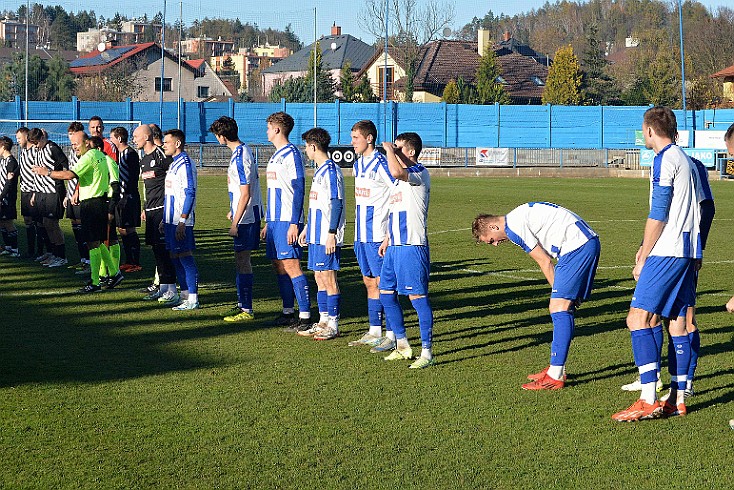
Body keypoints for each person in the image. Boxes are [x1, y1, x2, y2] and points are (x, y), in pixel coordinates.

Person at [611, 106, 701, 422]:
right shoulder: (687, 160)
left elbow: (659, 212)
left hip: (668, 251)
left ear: (649, 131)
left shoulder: (664, 160)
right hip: (688, 251)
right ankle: (677, 398)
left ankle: (648, 397)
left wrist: (644, 253)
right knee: (676, 321)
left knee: (637, 318)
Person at [472, 202, 601, 388]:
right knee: (561, 306)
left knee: (559, 307)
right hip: (581, 243)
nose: (496, 244)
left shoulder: (514, 228)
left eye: (491, 240)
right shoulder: (516, 216)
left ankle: (555, 375)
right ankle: (556, 369)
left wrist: (557, 291)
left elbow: (545, 261)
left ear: (493, 226)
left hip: (577, 247)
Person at [32, 131, 122, 293]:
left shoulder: (88, 157)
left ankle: (95, 282)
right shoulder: (99, 155)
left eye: (76, 144)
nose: (74, 148)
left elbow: (70, 175)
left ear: (86, 142)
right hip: (98, 202)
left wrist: (48, 172)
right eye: (72, 144)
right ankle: (114, 273)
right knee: (99, 242)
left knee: (93, 243)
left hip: (92, 204)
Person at [378, 132, 435, 369]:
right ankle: (402, 345)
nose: (394, 150)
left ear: (410, 152)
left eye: (399, 148)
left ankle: (427, 352)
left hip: (412, 246)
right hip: (395, 247)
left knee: (416, 298)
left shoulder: (419, 173)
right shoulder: (400, 182)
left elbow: (395, 171)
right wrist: (388, 238)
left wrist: (389, 150)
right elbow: (397, 210)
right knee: (385, 293)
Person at [209, 116, 263, 322]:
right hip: (243, 215)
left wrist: (235, 222)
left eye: (216, 135)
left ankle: (247, 309)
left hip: (247, 219)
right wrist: (233, 210)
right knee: (240, 260)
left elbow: (246, 193)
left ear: (222, 136)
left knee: (243, 261)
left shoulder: (241, 156)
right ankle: (242, 304)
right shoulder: (240, 153)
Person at [348, 120, 396, 352]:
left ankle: (391, 333)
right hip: (361, 235)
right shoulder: (358, 165)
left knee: (383, 283)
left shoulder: (381, 163)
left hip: (378, 234)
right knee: (369, 282)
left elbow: (397, 192)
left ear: (369, 138)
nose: (352, 142)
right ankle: (375, 329)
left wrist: (389, 234)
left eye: (355, 138)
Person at [261, 111, 311, 329]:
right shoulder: (275, 155)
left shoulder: (291, 154)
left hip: (287, 220)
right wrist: (267, 223)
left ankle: (306, 316)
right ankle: (288, 311)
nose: (267, 131)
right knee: (278, 265)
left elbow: (299, 188)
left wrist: (293, 223)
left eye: (268, 127)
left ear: (277, 129)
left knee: (291, 266)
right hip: (274, 221)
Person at [296, 127, 345, 340]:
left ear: (313, 146)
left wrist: (332, 233)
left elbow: (337, 203)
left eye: (306, 146)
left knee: (329, 278)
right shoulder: (319, 171)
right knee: (318, 277)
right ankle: (323, 320)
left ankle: (333, 324)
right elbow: (317, 203)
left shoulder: (331, 170)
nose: (306, 150)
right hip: (315, 234)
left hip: (327, 236)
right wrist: (307, 228)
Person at [134, 124, 176, 302]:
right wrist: (144, 207)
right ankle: (163, 287)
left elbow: (174, 178)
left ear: (146, 137)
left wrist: (170, 208)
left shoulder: (161, 155)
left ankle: (172, 289)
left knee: (165, 251)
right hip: (150, 210)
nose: (134, 139)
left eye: (136, 136)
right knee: (157, 250)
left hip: (162, 209)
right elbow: (146, 186)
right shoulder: (143, 159)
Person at [161, 129, 199, 311]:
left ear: (177, 143)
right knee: (175, 256)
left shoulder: (184, 163)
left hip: (180, 221)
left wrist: (183, 219)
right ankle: (184, 295)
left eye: (166, 142)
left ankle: (193, 297)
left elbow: (189, 192)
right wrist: (165, 219)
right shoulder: (174, 164)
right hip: (171, 220)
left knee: (185, 257)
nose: (163, 145)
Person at [27, 128, 68, 268]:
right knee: (44, 223)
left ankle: (61, 256)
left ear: (42, 138)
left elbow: (65, 165)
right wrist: (34, 192)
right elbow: (37, 173)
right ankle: (53, 253)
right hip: (40, 192)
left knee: (52, 224)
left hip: (53, 192)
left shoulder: (52, 147)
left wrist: (52, 174)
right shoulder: (37, 150)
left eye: (36, 143)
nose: (35, 146)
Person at [110, 126, 142, 272]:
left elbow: (133, 177)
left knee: (129, 229)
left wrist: (126, 195)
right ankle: (129, 260)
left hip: (129, 198)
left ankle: (135, 262)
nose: (111, 141)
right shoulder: (119, 154)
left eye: (112, 138)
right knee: (122, 229)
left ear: (119, 138)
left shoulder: (130, 154)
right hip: (121, 198)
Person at [63, 122, 91, 274]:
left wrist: (77, 192)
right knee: (76, 227)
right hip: (71, 193)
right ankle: (83, 260)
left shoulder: (85, 152)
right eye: (70, 135)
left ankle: (88, 261)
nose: (71, 138)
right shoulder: (72, 152)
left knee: (84, 229)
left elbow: (82, 174)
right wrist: (68, 194)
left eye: (73, 134)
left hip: (81, 194)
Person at [15, 127, 40, 258]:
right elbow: (22, 167)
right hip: (24, 191)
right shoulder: (23, 152)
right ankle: (31, 250)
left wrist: (36, 192)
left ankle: (40, 251)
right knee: (27, 220)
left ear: (26, 136)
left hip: (33, 190)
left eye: (19, 138)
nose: (17, 141)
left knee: (36, 221)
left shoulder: (35, 152)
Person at [0, 136, 20, 257]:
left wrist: (2, 196)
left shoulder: (11, 161)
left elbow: (9, 182)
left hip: (7, 197)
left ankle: (15, 249)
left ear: (3, 147)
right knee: (2, 222)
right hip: (2, 196)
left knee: (8, 222)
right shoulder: (3, 161)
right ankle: (8, 247)